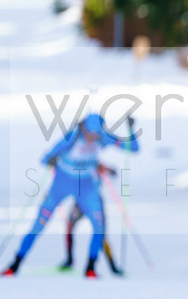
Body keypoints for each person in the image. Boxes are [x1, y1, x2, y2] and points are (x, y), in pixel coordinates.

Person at [3, 113, 138, 279]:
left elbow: (133, 148)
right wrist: (51, 160)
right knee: (39, 224)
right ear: (82, 128)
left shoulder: (103, 137)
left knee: (99, 226)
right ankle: (15, 264)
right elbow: (46, 157)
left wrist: (130, 129)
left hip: (87, 186)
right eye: (88, 133)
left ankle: (90, 267)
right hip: (62, 183)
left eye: (95, 135)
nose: (91, 138)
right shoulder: (71, 138)